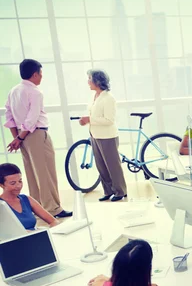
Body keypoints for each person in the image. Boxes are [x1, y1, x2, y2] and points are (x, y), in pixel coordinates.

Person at [4, 59, 71, 218]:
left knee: (32, 174)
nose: (41, 77)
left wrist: (17, 138)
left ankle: (38, 208)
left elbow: (9, 116)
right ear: (35, 74)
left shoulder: (13, 91)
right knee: (45, 173)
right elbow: (32, 119)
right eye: (41, 74)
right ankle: (53, 209)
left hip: (23, 136)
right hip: (35, 134)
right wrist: (20, 138)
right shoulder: (35, 92)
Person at [78, 70, 127, 202]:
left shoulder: (108, 98)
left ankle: (120, 191)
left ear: (97, 81)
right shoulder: (95, 97)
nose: (88, 82)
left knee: (112, 166)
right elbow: (94, 116)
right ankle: (108, 191)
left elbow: (109, 120)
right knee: (101, 166)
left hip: (108, 137)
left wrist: (89, 119)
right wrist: (87, 121)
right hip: (95, 135)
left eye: (89, 79)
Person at [0, 163, 58, 230]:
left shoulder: (26, 199)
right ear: (1, 185)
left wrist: (49, 232)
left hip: (36, 237)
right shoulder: (1, 204)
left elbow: (54, 221)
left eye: (20, 181)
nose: (18, 186)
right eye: (13, 183)